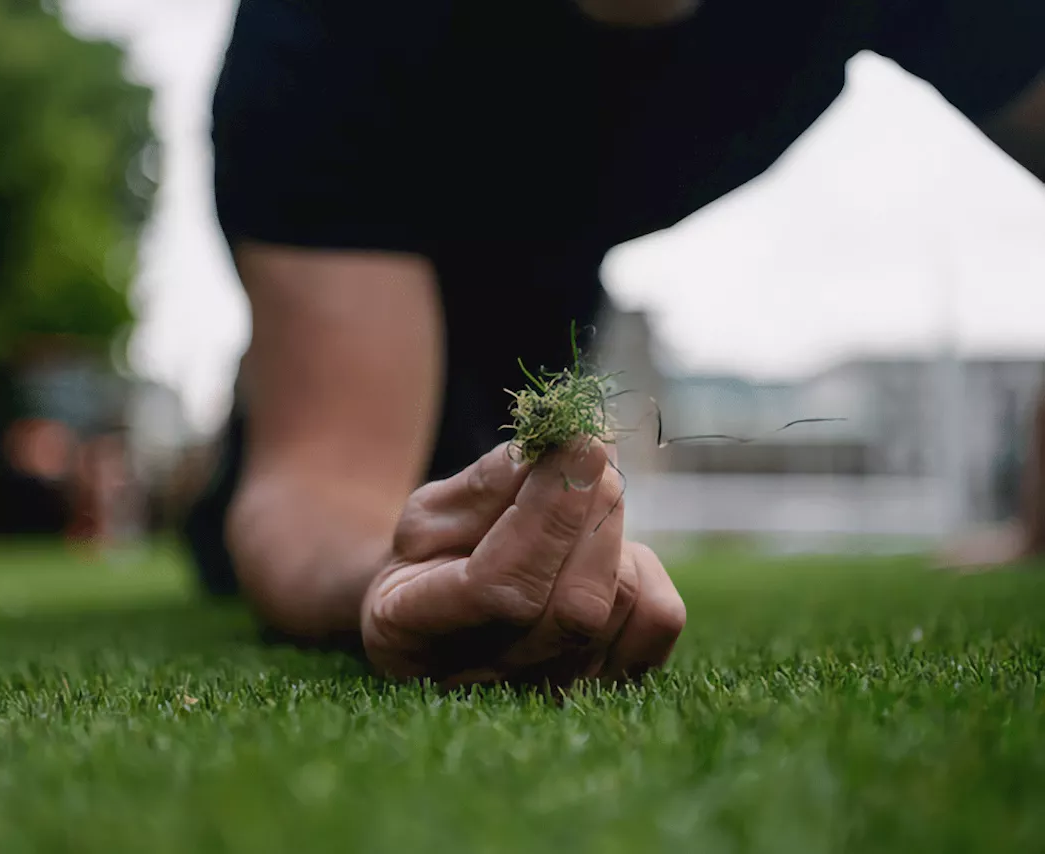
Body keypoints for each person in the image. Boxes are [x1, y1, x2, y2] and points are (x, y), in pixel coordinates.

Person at [183, 0, 1046, 689]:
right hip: (360, 280)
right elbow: (325, 480)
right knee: (376, 521)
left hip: (548, 299)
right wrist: (381, 577)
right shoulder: (320, 32)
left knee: (508, 470)